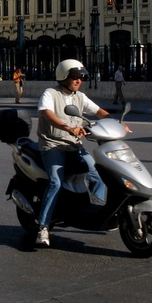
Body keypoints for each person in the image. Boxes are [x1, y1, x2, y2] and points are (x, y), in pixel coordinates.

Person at [36, 59, 115, 247]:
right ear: (64, 77)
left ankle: (100, 212)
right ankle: (43, 227)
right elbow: (46, 113)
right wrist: (67, 127)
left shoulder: (80, 96)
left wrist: (115, 121)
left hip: (75, 146)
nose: (79, 80)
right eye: (75, 77)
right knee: (55, 181)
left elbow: (98, 111)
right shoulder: (50, 94)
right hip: (53, 144)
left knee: (98, 172)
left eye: (81, 77)